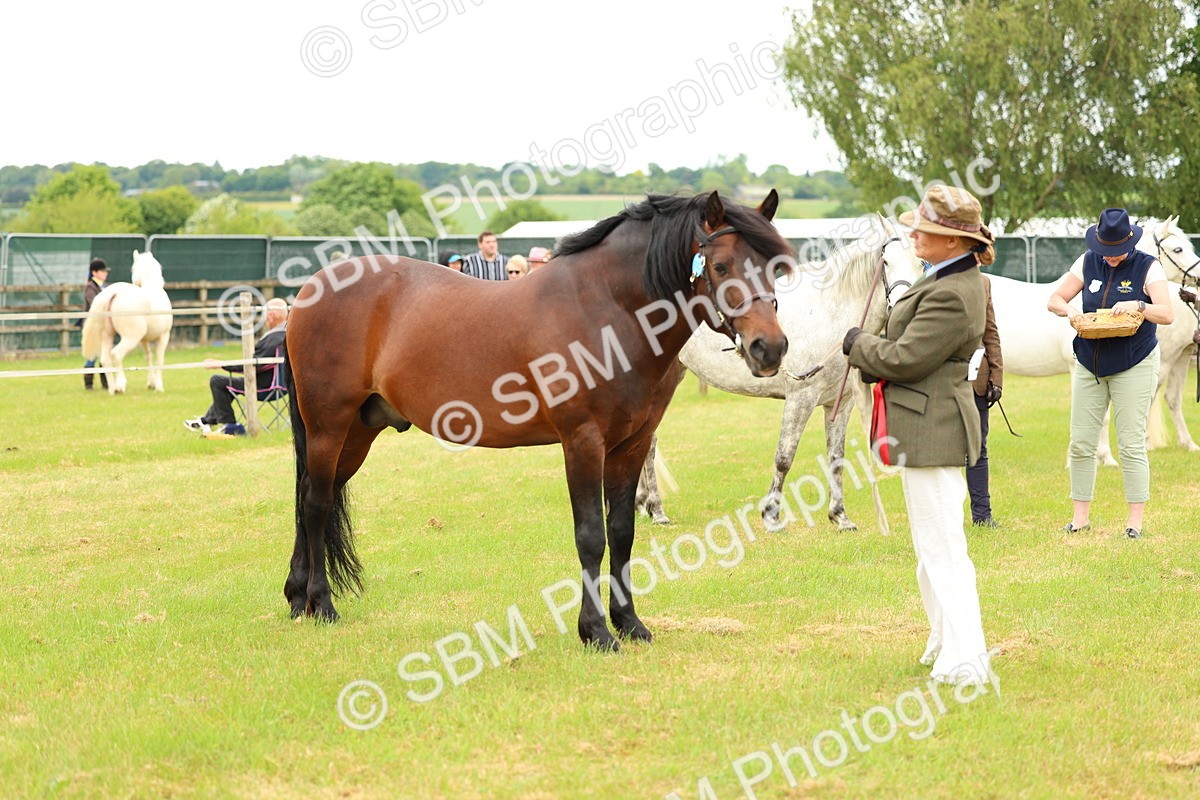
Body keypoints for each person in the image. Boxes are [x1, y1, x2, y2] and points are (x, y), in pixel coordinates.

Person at [843, 185, 993, 686]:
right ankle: (943, 640)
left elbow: (907, 358)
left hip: (935, 427)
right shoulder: (947, 277)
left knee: (944, 548)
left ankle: (968, 657)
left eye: (924, 230)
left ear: (953, 241)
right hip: (925, 425)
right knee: (930, 549)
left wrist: (857, 344)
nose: (914, 234)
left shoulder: (953, 291)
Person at [1047, 208, 1174, 539]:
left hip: (1135, 362)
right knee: (1080, 443)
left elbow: (1168, 313)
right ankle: (1079, 519)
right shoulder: (1088, 261)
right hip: (1090, 361)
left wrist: (1139, 306)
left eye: (1117, 251)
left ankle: (1134, 523)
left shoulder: (1149, 266)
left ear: (1130, 243)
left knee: (1131, 443)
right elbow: (1055, 298)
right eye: (1106, 251)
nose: (1111, 257)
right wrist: (1071, 311)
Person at [184, 298, 289, 435]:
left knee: (217, 381)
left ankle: (230, 426)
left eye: (264, 316)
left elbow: (252, 365)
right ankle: (206, 420)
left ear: (271, 316)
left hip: (264, 387)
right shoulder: (289, 335)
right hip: (285, 386)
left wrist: (222, 365)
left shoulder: (273, 338)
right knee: (227, 385)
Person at [968, 276, 1003, 528]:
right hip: (943, 381)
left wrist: (996, 376)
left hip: (978, 380)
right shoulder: (930, 279)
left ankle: (982, 516)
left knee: (978, 449)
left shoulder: (983, 283)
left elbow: (990, 332)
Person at [82, 258, 109, 390]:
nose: (105, 273)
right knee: (92, 355)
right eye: (102, 271)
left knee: (105, 354)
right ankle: (89, 383)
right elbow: (94, 304)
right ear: (94, 272)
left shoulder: (106, 287)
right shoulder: (90, 287)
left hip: (105, 326)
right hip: (93, 326)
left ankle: (106, 382)